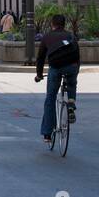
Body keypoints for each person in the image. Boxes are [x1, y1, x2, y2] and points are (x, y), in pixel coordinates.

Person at [35, 12, 81, 145]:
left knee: (50, 98)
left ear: (52, 24)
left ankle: (47, 134)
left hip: (55, 68)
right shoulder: (71, 36)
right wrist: (76, 71)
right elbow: (77, 56)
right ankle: (71, 103)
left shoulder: (47, 37)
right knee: (72, 84)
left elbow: (40, 58)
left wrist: (39, 74)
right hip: (71, 66)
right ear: (64, 24)